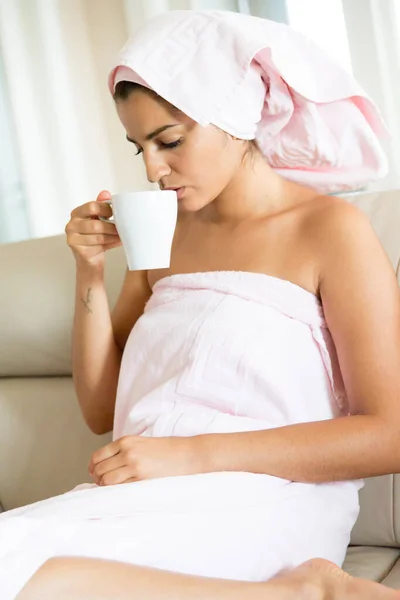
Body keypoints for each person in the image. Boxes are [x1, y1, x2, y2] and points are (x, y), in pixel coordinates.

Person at [1, 9, 400, 600]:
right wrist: (89, 272)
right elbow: (100, 410)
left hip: (262, 499)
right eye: (140, 148)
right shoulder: (166, 234)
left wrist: (187, 456)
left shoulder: (329, 231)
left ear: (235, 118)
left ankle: (310, 588)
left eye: (170, 140)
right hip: (142, 496)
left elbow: (389, 433)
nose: (156, 169)